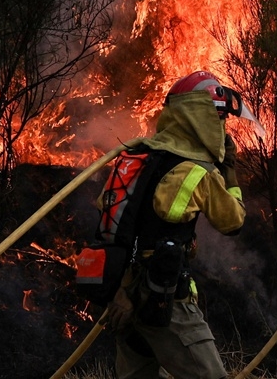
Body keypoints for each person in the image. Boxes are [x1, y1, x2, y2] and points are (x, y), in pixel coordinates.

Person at [101, 70, 251, 379]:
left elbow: (113, 226)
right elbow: (233, 221)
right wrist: (230, 170)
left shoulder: (135, 157)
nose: (222, 128)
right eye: (219, 119)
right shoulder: (196, 171)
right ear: (203, 118)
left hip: (124, 296)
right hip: (164, 299)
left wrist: (120, 292)